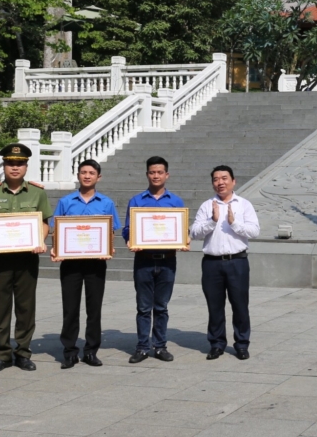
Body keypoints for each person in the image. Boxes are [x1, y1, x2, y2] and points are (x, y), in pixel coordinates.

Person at [0, 143, 51, 373]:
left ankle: (23, 353)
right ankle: (2, 354)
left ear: (26, 167)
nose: (15, 168)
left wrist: (40, 241)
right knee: (0, 308)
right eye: (10, 163)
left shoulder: (38, 192)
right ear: (4, 166)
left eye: (19, 164)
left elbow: (45, 224)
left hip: (27, 259)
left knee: (26, 308)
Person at [51, 159, 121, 369]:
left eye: (91, 173)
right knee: (70, 308)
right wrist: (57, 248)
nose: (87, 176)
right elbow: (56, 230)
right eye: (83, 172)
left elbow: (111, 231)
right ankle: (70, 351)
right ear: (78, 175)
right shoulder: (66, 201)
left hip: (96, 263)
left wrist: (108, 248)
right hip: (71, 263)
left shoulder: (106, 202)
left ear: (98, 177)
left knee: (94, 308)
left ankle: (91, 351)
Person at [190, 165, 260, 360]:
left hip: (237, 262)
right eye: (216, 179)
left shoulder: (244, 204)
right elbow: (194, 232)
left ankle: (242, 344)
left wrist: (234, 223)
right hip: (212, 263)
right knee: (214, 306)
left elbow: (254, 231)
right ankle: (217, 343)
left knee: (240, 305)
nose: (220, 182)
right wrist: (212, 221)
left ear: (233, 181)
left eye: (224, 178)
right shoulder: (207, 206)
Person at [123, 156, 185, 363]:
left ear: (166, 175)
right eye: (152, 172)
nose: (156, 175)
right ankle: (142, 347)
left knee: (161, 307)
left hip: (167, 260)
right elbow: (127, 229)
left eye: (160, 172)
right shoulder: (137, 201)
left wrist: (184, 239)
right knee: (143, 307)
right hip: (144, 259)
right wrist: (130, 240)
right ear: (147, 174)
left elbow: (182, 230)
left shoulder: (176, 202)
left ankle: (159, 346)